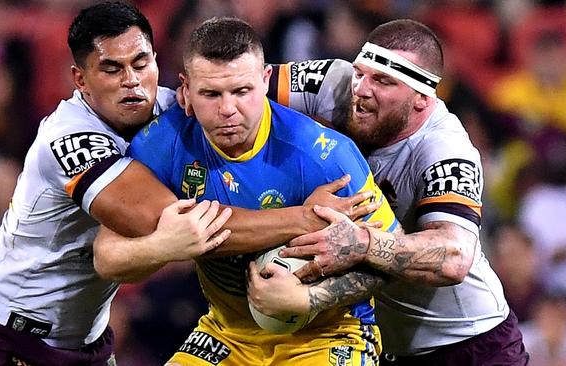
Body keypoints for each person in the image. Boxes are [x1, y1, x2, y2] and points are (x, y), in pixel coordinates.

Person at [0, 2, 349, 365]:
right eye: (111, 69)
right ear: (80, 79)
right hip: (2, 331)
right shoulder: (69, 140)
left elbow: (331, 78)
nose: (132, 81)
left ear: (157, 60)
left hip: (87, 339)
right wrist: (305, 219)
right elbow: (174, 225)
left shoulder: (184, 101)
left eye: (141, 63)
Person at [103, 16, 399, 366]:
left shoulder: (325, 156)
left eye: (241, 91)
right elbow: (107, 254)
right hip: (227, 334)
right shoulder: (164, 143)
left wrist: (311, 299)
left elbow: (391, 259)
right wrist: (164, 245)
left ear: (265, 79)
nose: (227, 110)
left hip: (327, 335)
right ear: (185, 89)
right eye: (210, 94)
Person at [249, 19, 529, 365]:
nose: (362, 89)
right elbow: (243, 82)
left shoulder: (444, 150)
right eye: (360, 73)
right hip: (385, 346)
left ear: (421, 100)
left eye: (383, 81)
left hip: (469, 345)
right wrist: (170, 96)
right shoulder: (336, 82)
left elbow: (454, 257)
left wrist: (362, 244)